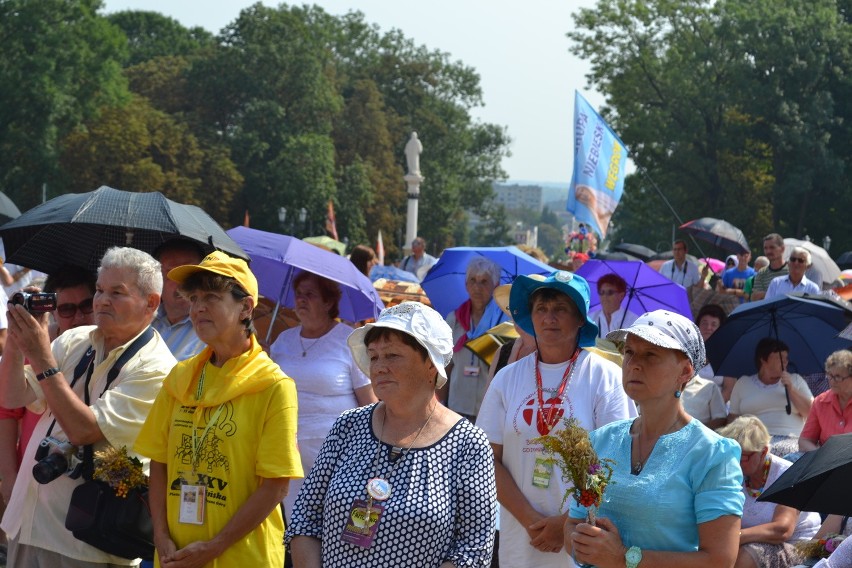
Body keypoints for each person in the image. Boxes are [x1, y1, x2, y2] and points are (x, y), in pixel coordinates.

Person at [0, 247, 177, 566]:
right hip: (27, 525)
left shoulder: (158, 368)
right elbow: (12, 398)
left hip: (86, 543)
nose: (102, 300)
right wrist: (16, 338)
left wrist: (40, 355)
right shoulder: (76, 340)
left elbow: (83, 430)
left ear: (151, 303)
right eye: (99, 289)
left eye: (116, 293)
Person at [287, 302, 497, 567]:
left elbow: (473, 550)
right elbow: (305, 518)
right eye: (374, 356)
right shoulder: (348, 426)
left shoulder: (468, 444)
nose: (379, 367)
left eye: (392, 355)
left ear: (431, 364)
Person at [135, 250, 302, 567]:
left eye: (211, 296)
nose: (197, 308)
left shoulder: (274, 386)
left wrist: (214, 547)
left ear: (246, 307)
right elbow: (159, 461)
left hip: (243, 557)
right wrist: (160, 537)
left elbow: (276, 487)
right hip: (175, 556)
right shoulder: (180, 377)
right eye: (194, 297)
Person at [477, 270, 636, 568]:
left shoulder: (606, 378)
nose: (549, 317)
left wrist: (566, 524)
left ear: (580, 319)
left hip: (583, 538)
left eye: (560, 309)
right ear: (531, 317)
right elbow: (487, 459)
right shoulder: (507, 379)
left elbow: (617, 462)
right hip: (521, 536)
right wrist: (531, 520)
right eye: (541, 309)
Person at [567, 310, 745, 568]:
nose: (634, 364)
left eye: (651, 355)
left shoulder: (712, 454)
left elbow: (719, 560)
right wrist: (584, 546)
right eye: (629, 352)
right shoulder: (600, 441)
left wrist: (622, 558)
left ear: (685, 371)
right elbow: (573, 523)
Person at [269, 271, 377, 518]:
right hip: (289, 455)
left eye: (310, 295)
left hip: (339, 458)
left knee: (336, 526)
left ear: (328, 302)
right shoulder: (282, 341)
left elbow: (369, 404)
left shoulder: (349, 342)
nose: (301, 300)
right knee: (296, 526)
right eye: (298, 295)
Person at [717, 416, 819, 568]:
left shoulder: (788, 474)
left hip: (797, 548)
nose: (734, 461)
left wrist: (735, 537)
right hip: (748, 541)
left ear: (763, 452)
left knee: (745, 556)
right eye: (731, 454)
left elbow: (782, 529)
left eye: (742, 456)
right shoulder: (733, 473)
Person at [443, 257, 508, 421]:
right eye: (472, 280)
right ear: (466, 285)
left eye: (484, 282)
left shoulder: (503, 321)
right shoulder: (455, 319)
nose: (477, 287)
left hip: (489, 408)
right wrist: (440, 402)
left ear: (496, 286)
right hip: (456, 405)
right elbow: (446, 364)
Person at [728, 338, 814, 457]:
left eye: (786, 358)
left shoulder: (795, 380)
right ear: (763, 359)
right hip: (753, 441)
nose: (785, 362)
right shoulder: (743, 383)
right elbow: (733, 419)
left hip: (789, 439)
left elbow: (811, 412)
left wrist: (791, 389)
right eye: (780, 357)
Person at [152, 239, 206, 361]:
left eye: (190, 273)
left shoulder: (214, 332)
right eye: (172, 273)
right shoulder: (140, 321)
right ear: (157, 279)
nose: (182, 282)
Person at [798, 349, 852, 451]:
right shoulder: (820, 402)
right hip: (826, 464)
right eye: (830, 375)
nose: (832, 381)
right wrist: (820, 458)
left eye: (838, 377)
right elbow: (805, 441)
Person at [693, 304, 737, 402]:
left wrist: (713, 408)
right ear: (698, 326)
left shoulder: (726, 354)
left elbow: (729, 389)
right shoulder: (689, 351)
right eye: (704, 323)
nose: (708, 328)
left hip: (716, 408)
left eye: (714, 324)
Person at [587, 273, 639, 339]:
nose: (605, 296)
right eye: (602, 292)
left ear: (621, 295)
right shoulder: (590, 319)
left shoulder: (633, 321)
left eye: (610, 292)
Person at [751, 234, 788, 301]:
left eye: (772, 247)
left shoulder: (792, 270)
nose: (768, 251)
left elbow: (796, 294)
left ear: (782, 249)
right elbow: (755, 298)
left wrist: (765, 294)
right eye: (765, 248)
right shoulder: (762, 273)